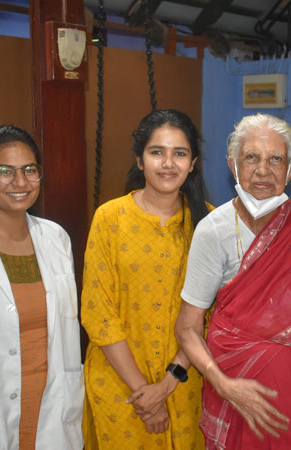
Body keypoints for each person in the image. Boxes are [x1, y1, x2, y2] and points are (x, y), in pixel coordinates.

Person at [175, 113, 291, 450]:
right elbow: (187, 328)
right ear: (233, 166)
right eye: (251, 157)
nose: (263, 170)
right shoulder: (213, 230)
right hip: (237, 403)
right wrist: (224, 386)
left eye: (275, 159)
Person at [81, 109, 211, 449]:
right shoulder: (110, 219)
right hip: (120, 389)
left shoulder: (209, 223)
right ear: (140, 160)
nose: (168, 163)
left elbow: (210, 315)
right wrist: (144, 394)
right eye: (157, 152)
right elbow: (99, 314)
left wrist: (166, 385)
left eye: (179, 153)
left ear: (193, 163)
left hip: (185, 387)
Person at [0, 125, 84, 450]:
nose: (20, 182)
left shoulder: (56, 238)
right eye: (5, 171)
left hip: (52, 406)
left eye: (29, 170)